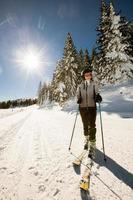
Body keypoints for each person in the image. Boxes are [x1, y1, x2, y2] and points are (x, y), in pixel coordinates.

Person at [77, 68, 102, 159]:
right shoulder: (80, 86)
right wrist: (79, 99)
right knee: (85, 125)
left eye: (89, 74)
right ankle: (87, 140)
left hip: (92, 107)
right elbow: (78, 95)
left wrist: (98, 97)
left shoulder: (94, 84)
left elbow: (97, 94)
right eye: (86, 74)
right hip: (82, 108)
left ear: (91, 75)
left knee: (92, 125)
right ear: (83, 76)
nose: (88, 76)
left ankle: (92, 144)